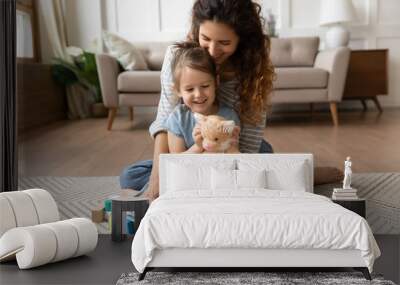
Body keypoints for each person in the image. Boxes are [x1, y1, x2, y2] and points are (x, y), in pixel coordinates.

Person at [120, 0, 275, 199]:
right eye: (206, 38)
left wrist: (221, 169)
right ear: (196, 30)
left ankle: (313, 172)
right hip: (189, 150)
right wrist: (158, 180)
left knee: (262, 165)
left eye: (224, 43)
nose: (212, 51)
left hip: (234, 149)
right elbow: (164, 122)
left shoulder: (254, 71)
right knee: (130, 177)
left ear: (241, 39)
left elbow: (249, 147)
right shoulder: (177, 57)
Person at [164, 42, 240, 154]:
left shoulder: (229, 117)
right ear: (178, 91)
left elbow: (234, 158)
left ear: (216, 82)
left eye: (205, 86)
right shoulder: (177, 119)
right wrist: (198, 147)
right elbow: (177, 162)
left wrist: (231, 146)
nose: (198, 94)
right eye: (189, 89)